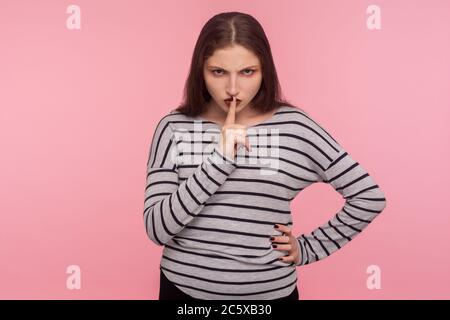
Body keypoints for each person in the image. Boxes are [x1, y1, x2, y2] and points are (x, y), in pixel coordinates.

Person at [144, 12, 387, 300]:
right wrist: (220, 158)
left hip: (270, 297)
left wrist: (308, 248)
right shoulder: (174, 127)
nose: (233, 88)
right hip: (182, 293)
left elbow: (369, 197)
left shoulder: (295, 127)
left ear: (264, 70)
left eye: (247, 71)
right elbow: (157, 229)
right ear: (200, 70)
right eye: (218, 72)